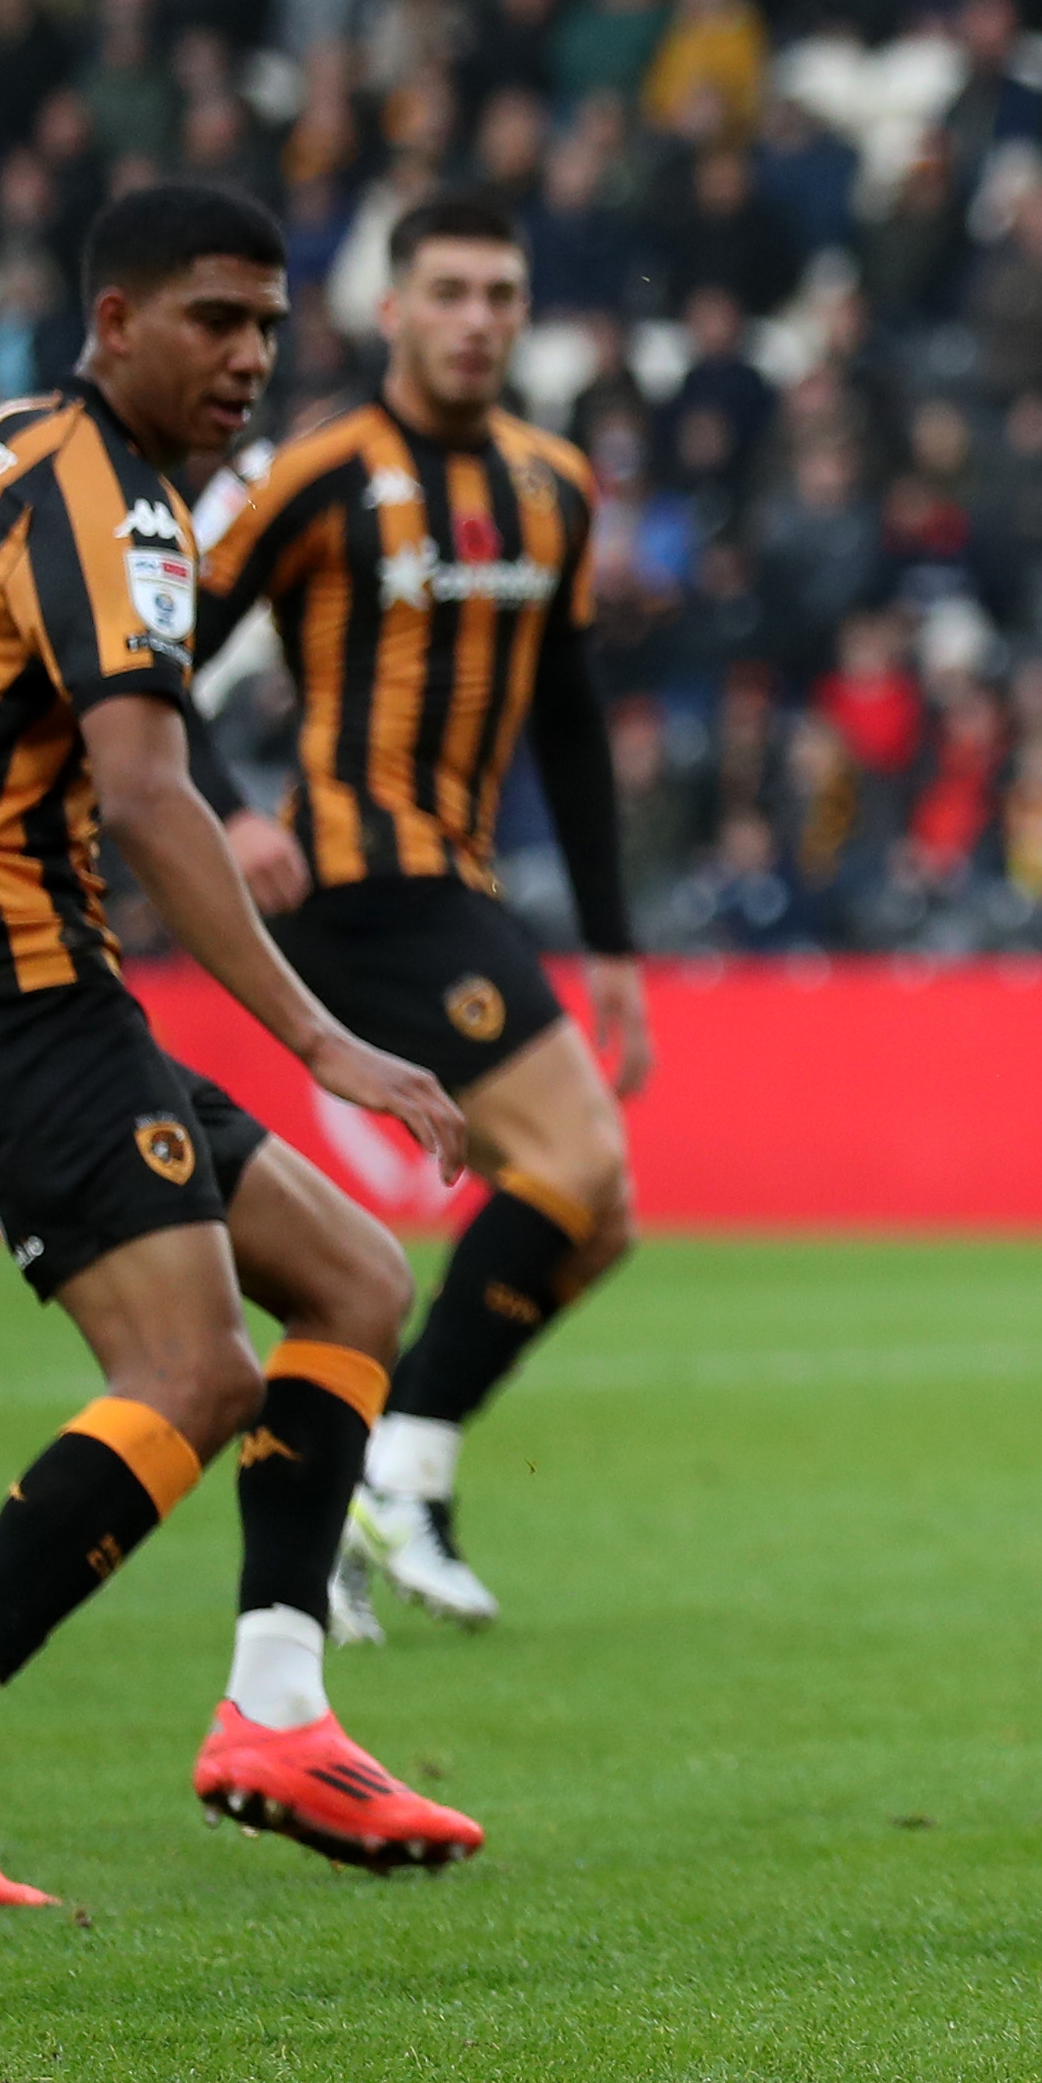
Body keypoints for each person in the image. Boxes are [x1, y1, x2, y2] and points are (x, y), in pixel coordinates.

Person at [0, 184, 482, 1906]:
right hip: (4, 987)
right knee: (193, 1372)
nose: (250, 356)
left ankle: (278, 1712)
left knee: (355, 1280)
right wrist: (329, 1039)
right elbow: (150, 793)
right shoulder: (123, 505)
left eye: (268, 323)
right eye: (213, 321)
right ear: (115, 321)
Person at [188, 193, 645, 1635]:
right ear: (390, 309)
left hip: (463, 885)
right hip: (350, 883)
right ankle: (401, 1470)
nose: (475, 320)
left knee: (601, 1215)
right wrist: (233, 806)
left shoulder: (551, 483)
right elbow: (145, 660)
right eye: (447, 291)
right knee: (574, 1156)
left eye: (500, 295)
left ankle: (366, 1489)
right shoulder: (314, 472)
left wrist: (616, 943)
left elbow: (570, 723)